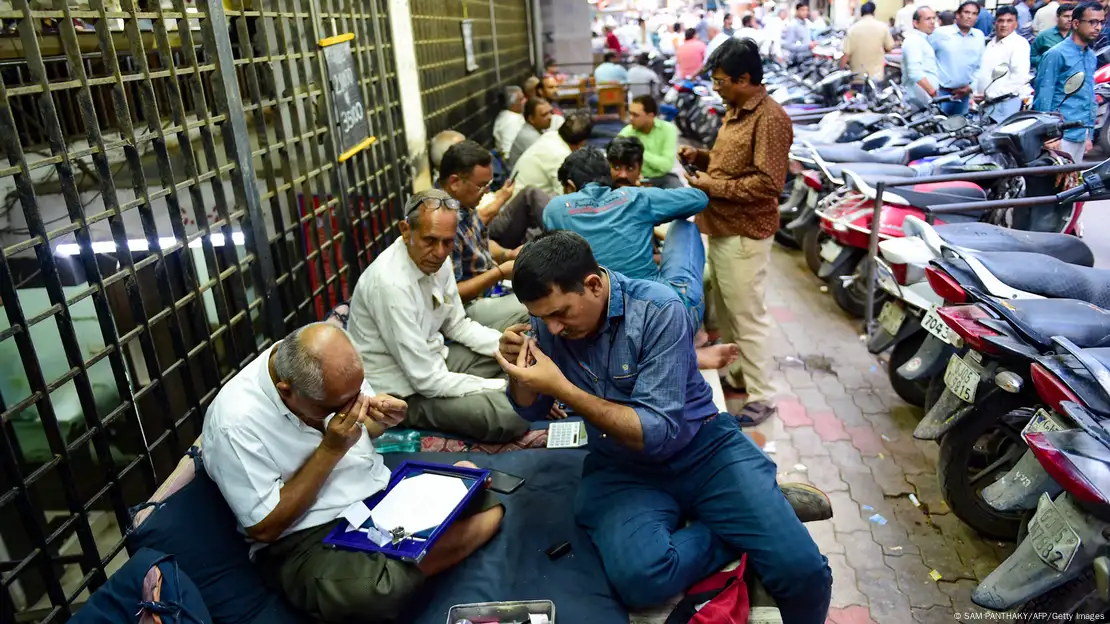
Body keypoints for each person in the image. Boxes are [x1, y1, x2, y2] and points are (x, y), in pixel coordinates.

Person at [494, 231, 833, 621]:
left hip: (705, 450)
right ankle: (747, 521)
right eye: (541, 318)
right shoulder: (549, 323)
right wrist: (519, 373)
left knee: (803, 571)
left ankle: (756, 513)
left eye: (561, 314)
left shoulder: (658, 309)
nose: (551, 328)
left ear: (592, 285)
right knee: (641, 578)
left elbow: (656, 430)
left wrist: (563, 389)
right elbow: (531, 411)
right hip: (622, 466)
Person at [203, 323, 504, 623]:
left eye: (357, 396)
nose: (353, 408)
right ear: (287, 392)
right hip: (306, 537)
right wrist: (330, 450)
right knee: (373, 591)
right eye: (337, 407)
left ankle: (409, 554)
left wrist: (383, 420)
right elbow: (264, 528)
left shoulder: (323, 359)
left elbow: (363, 428)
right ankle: (413, 555)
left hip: (375, 497)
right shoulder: (235, 421)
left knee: (492, 504)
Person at [346, 189, 532, 443]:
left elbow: (458, 325)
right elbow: (427, 381)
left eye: (448, 242)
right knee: (509, 414)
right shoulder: (390, 285)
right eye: (430, 240)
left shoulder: (437, 259)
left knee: (519, 353)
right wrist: (500, 387)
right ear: (405, 230)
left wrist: (509, 351)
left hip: (437, 359)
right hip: (403, 393)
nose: (440, 251)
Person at [548, 145, 742, 371]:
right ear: (609, 175)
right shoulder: (634, 197)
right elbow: (698, 199)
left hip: (603, 328)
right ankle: (686, 347)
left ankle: (679, 350)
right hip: (668, 319)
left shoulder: (555, 209)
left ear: (570, 186)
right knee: (685, 228)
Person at [681, 38, 790, 425]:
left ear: (745, 78)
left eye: (722, 81)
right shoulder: (736, 111)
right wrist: (702, 158)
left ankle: (762, 395)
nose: (716, 87)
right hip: (724, 226)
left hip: (746, 231)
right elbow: (733, 163)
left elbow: (767, 184)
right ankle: (741, 374)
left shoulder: (770, 119)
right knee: (728, 312)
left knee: (748, 316)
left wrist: (711, 186)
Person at [437, 141, 537, 329]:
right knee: (539, 306)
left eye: (488, 184)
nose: (486, 192)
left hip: (490, 289)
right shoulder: (442, 222)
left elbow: (476, 242)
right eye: (481, 186)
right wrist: (498, 273)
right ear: (454, 182)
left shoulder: (463, 204)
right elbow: (451, 295)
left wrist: (506, 255)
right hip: (466, 308)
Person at [1035, 0, 1101, 163]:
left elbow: (1088, 96)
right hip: (1060, 135)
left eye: (1101, 22)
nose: (1098, 27)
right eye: (1092, 22)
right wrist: (1049, 137)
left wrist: (1088, 135)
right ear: (1076, 23)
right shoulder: (1056, 54)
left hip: (1080, 132)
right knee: (1055, 185)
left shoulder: (1091, 56)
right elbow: (1044, 97)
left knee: (1073, 185)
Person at [512, 112, 594, 198]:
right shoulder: (561, 156)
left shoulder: (551, 135)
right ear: (582, 142)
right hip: (522, 207)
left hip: (517, 198)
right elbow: (565, 199)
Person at [975, 5, 1032, 122]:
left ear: (1016, 24)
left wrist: (993, 95)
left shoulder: (1019, 44)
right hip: (986, 104)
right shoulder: (991, 43)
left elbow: (1019, 77)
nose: (1004, 25)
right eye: (1000, 21)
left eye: (1009, 21)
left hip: (1005, 104)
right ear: (995, 23)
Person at [931, 1, 985, 115]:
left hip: (964, 94)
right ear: (958, 15)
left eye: (974, 13)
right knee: (937, 128)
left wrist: (970, 87)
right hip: (942, 93)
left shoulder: (979, 36)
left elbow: (980, 65)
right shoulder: (941, 33)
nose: (970, 16)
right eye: (966, 12)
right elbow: (927, 58)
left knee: (958, 129)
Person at [618, 95, 680, 188]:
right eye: (630, 113)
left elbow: (666, 165)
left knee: (684, 195)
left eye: (636, 115)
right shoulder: (626, 133)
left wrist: (639, 151)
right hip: (636, 179)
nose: (630, 118)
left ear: (650, 116)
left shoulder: (668, 130)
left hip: (663, 178)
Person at [840, 2, 896, 80]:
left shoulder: (852, 29)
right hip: (876, 77)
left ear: (861, 13)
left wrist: (841, 71)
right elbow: (889, 47)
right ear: (874, 13)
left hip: (857, 77)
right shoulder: (883, 27)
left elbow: (846, 54)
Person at [903, 7, 941, 105]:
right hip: (918, 98)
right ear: (916, 23)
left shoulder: (924, 39)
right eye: (928, 19)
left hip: (925, 97)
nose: (932, 22)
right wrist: (933, 92)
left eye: (934, 18)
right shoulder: (913, 40)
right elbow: (914, 72)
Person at [510, 97, 553, 166]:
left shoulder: (537, 129)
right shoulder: (529, 137)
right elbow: (549, 160)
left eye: (550, 112)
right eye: (544, 115)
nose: (550, 117)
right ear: (531, 119)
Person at [1031, 3, 1074, 68]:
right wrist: (1046, 61)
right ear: (1057, 17)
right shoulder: (1044, 36)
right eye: (1066, 16)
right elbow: (1031, 57)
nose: (1070, 19)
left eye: (1072, 17)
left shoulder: (1078, 36)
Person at [493, 86, 526, 159]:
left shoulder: (514, 115)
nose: (525, 101)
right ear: (512, 103)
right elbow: (507, 152)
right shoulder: (510, 121)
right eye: (521, 99)